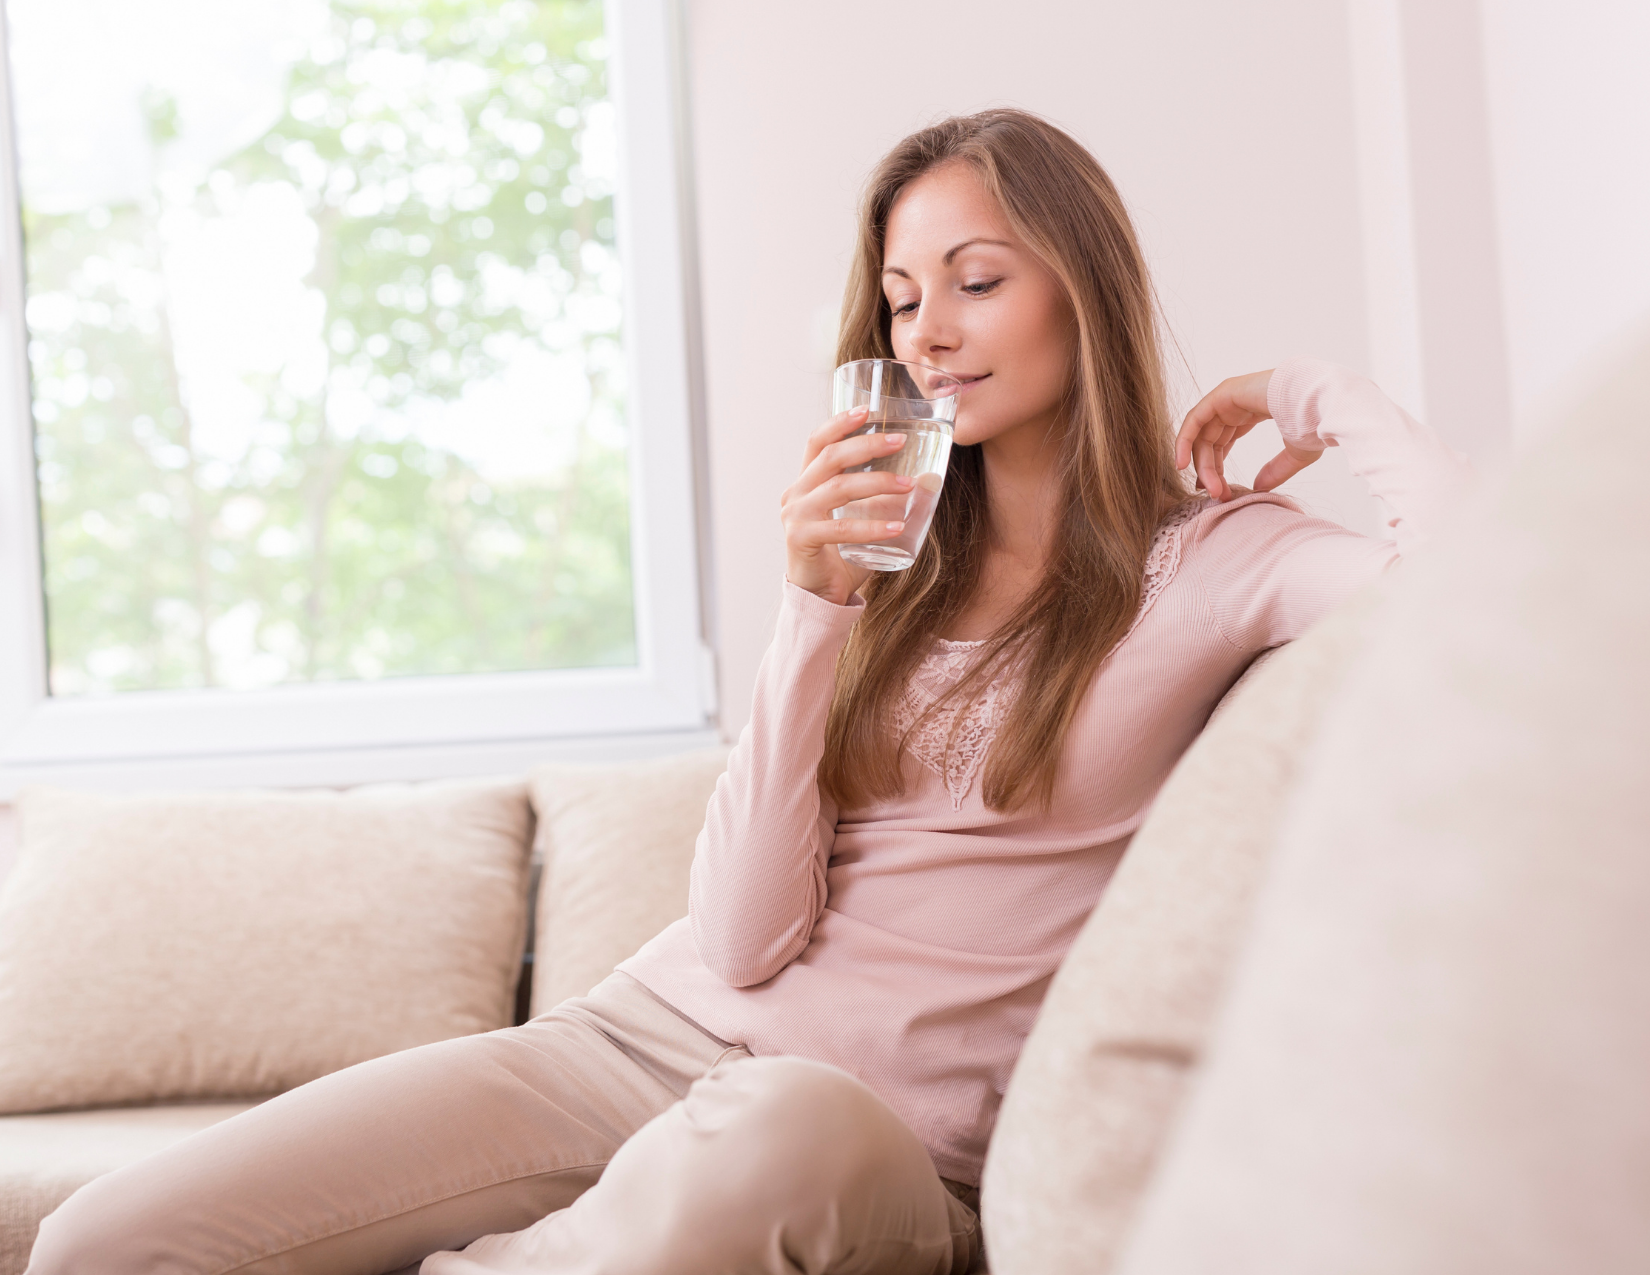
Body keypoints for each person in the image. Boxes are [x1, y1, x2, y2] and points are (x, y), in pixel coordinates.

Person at [28, 108, 1469, 1275]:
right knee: (108, 1236)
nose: (929, 333)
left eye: (976, 280)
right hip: (639, 1038)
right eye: (903, 298)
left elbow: (1477, 610)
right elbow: (741, 929)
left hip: (863, 1142)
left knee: (778, 1129)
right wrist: (812, 609)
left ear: (1080, 288)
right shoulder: (877, 559)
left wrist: (1324, 398)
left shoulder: (1219, 562)